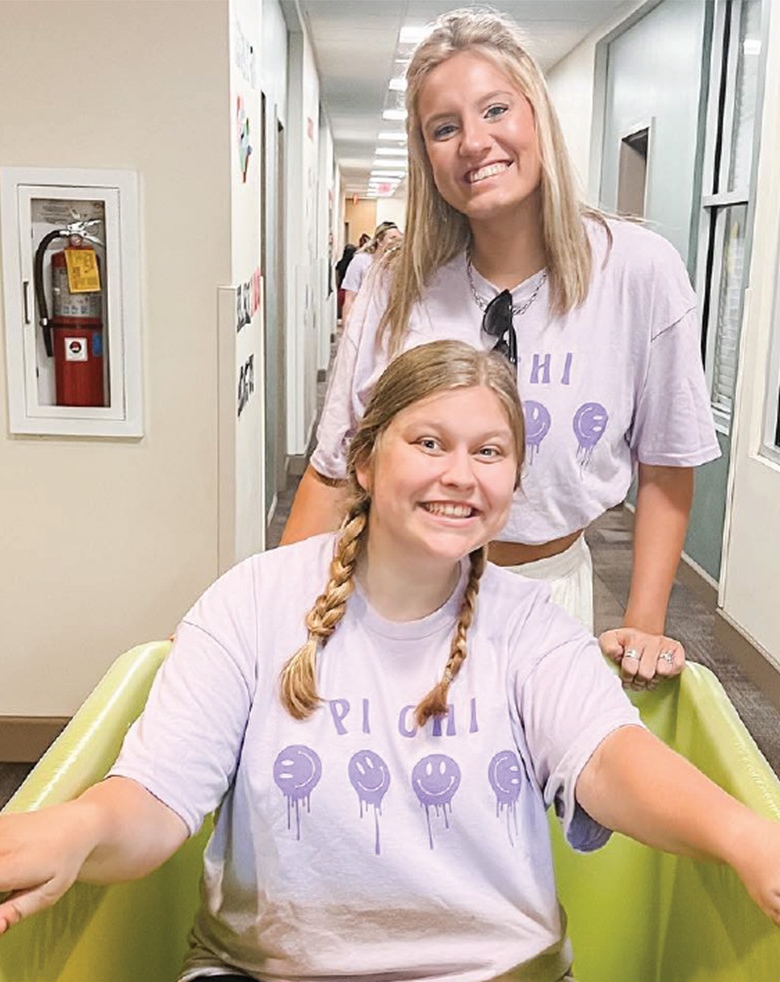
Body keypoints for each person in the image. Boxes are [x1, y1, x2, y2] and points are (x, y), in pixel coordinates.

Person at [0, 341, 780, 982]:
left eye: (489, 451)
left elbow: (615, 760)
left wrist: (749, 837)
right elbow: (156, 798)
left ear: (513, 480)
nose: (459, 473)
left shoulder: (530, 627)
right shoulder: (251, 604)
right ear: (368, 459)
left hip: (497, 980)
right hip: (266, 981)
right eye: (428, 442)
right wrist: (75, 829)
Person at [279, 9, 718, 693]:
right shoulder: (398, 284)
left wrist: (645, 620)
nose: (474, 143)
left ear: (536, 114)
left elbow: (665, 465)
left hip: (549, 595)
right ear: (426, 156)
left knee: (530, 793)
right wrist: (270, 620)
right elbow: (334, 474)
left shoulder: (637, 271)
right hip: (394, 594)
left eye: (495, 110)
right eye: (444, 128)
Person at [339, 221, 401, 322]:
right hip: (362, 318)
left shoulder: (396, 265)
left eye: (399, 238)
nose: (396, 242)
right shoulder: (361, 261)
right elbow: (349, 298)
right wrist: (346, 326)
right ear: (379, 241)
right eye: (392, 238)